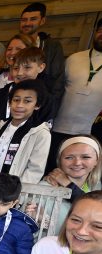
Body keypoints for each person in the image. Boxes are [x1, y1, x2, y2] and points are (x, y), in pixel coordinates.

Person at [50, 19, 102, 172]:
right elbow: (57, 91)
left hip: (91, 135)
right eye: (100, 30)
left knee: (79, 176)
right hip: (58, 128)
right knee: (52, 171)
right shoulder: (73, 58)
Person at [0, 79, 51, 183]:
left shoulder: (40, 133)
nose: (20, 105)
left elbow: (34, 171)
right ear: (10, 102)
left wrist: (14, 193)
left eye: (27, 101)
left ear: (37, 105)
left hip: (12, 193)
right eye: (16, 100)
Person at [40, 135, 101, 227]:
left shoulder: (97, 187)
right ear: (59, 160)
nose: (77, 163)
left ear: (97, 160)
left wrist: (68, 184)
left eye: (85, 157)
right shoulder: (42, 189)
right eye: (69, 157)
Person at [19, 2, 65, 102]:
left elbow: (57, 81)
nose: (27, 23)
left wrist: (49, 107)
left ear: (42, 21)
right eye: (24, 20)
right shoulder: (14, 45)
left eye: (33, 19)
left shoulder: (52, 46)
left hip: (41, 102)